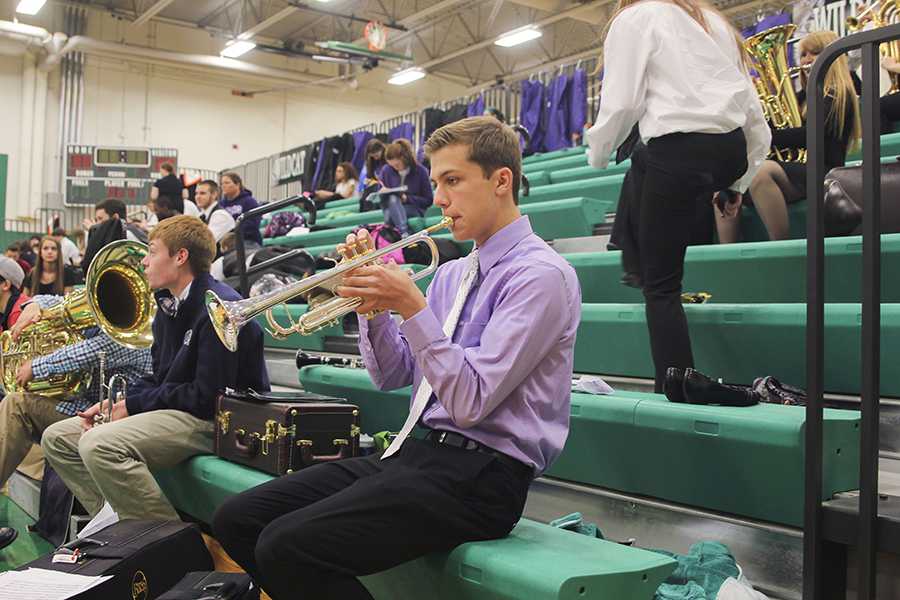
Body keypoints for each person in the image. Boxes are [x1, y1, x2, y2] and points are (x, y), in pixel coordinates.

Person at [212, 116, 581, 600]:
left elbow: (471, 403)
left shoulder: (541, 276)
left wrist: (410, 305)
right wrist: (373, 310)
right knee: (237, 519)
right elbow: (391, 375)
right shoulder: (451, 275)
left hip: (484, 477)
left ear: (501, 181)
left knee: (286, 546)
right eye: (436, 183)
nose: (440, 199)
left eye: (453, 181)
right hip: (415, 453)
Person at [584, 0, 770, 393]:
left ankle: (675, 382)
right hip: (729, 150)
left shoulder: (634, 18)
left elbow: (623, 104)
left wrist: (597, 154)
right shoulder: (714, 22)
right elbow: (752, 109)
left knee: (662, 286)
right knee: (640, 161)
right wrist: (737, 184)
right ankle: (634, 254)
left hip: (680, 152)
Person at [41, 216, 269, 522]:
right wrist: (116, 404)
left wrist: (133, 406)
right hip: (180, 410)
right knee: (57, 438)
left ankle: (165, 543)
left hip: (216, 419)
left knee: (99, 443)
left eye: (151, 252)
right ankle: (112, 523)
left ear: (180, 257)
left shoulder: (220, 307)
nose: (145, 262)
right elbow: (161, 377)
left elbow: (206, 398)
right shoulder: (166, 307)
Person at [0, 290, 151, 550]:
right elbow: (60, 302)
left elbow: (87, 352)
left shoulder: (131, 334)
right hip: (86, 409)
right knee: (16, 403)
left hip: (111, 417)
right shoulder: (102, 309)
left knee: (17, 405)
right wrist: (37, 303)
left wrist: (35, 368)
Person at [716, 30, 861, 243]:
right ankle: (726, 258)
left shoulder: (839, 94)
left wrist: (765, 135)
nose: (807, 59)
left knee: (761, 173)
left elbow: (810, 135)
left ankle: (781, 248)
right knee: (725, 186)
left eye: (816, 52)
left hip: (825, 171)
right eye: (803, 54)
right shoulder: (800, 97)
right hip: (797, 170)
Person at [378, 139, 434, 236]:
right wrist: (382, 191)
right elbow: (380, 198)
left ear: (405, 158)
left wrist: (407, 198)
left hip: (414, 208)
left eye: (397, 165)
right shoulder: (386, 170)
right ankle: (404, 232)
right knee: (392, 199)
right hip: (389, 207)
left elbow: (428, 200)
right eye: (391, 166)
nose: (394, 168)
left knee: (389, 216)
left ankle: (403, 232)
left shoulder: (421, 171)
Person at [220, 172, 263, 247]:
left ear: (237, 184)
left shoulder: (249, 201)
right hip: (226, 243)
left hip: (248, 241)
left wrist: (232, 233)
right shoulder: (221, 204)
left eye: (227, 183)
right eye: (222, 183)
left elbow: (253, 224)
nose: (223, 186)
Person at [195, 179, 236, 245]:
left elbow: (206, 243)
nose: (198, 197)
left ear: (214, 194)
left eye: (202, 193)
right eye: (196, 193)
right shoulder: (201, 215)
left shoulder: (220, 215)